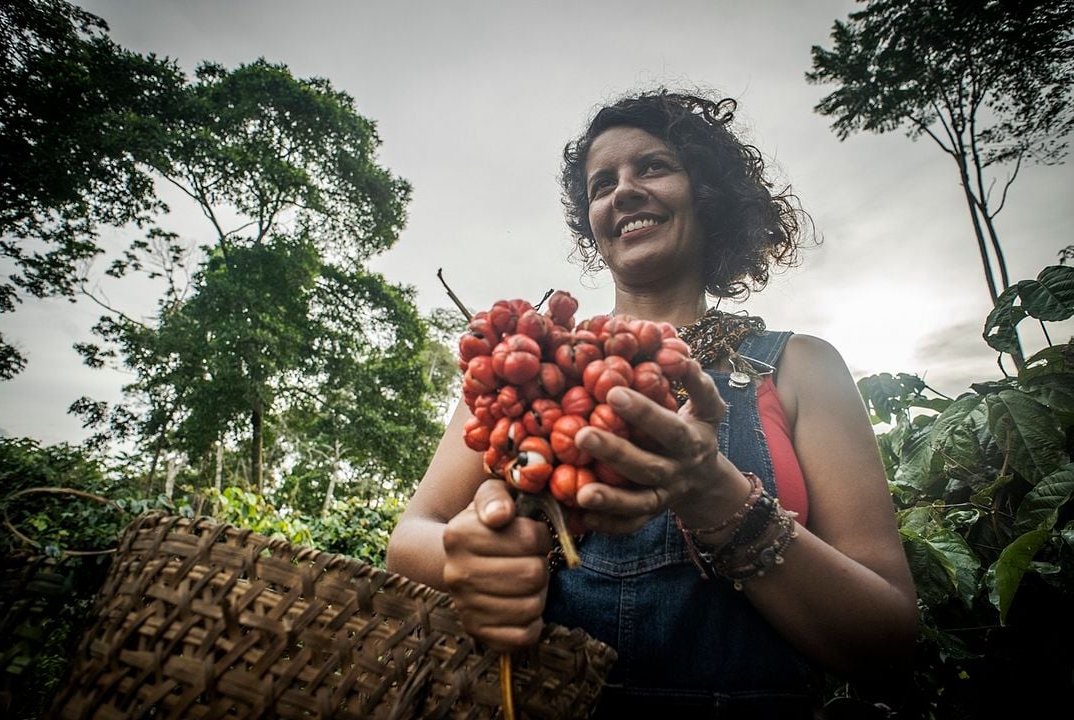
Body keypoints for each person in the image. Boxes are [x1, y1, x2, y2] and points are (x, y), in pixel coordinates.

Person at [385, 89, 918, 718]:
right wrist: (468, 558)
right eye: (601, 184)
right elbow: (410, 538)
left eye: (654, 167)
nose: (624, 191)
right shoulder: (528, 362)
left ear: (708, 194)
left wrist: (717, 496)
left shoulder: (801, 366)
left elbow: (886, 634)